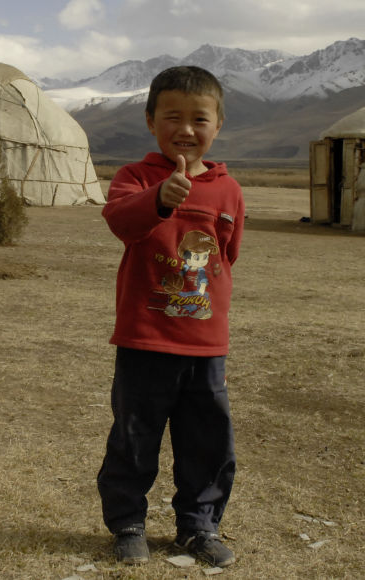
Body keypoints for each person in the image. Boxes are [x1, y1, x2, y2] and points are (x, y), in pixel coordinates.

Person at [96, 65, 245, 568]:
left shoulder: (229, 190)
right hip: (145, 337)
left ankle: (198, 527)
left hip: (205, 343)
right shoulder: (134, 178)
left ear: (218, 125)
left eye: (199, 118)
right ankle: (128, 524)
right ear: (150, 120)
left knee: (207, 440)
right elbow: (120, 220)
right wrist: (158, 198)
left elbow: (228, 253)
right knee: (135, 436)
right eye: (172, 117)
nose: (186, 129)